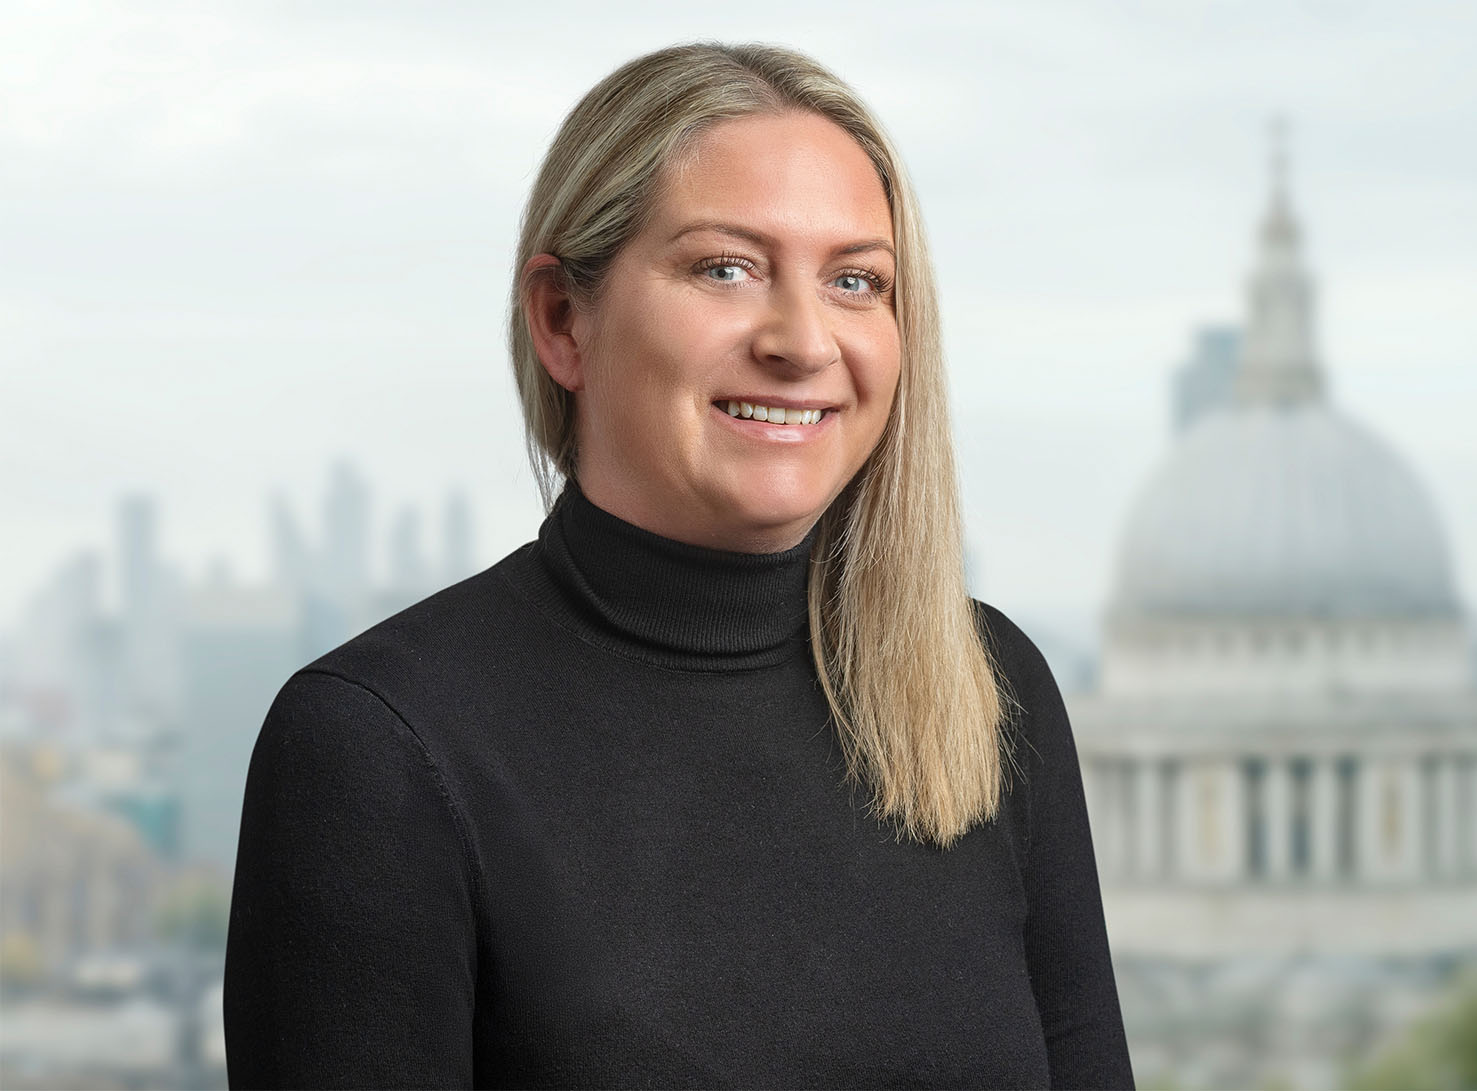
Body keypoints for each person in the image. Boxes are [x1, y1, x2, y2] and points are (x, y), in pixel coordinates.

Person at [224, 42, 1133, 1090]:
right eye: (725, 268)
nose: (803, 341)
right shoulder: (375, 748)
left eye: (855, 280)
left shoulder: (986, 686)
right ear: (562, 321)